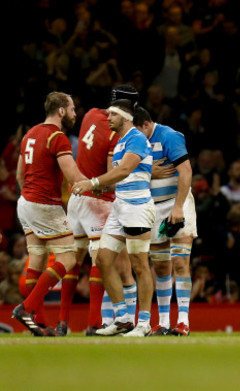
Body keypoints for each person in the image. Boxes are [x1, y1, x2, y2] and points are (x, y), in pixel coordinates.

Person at [57, 85, 138, 337]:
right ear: (131, 108)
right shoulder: (117, 133)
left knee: (72, 261)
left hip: (75, 198)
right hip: (98, 200)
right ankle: (94, 322)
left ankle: (62, 322)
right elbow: (109, 176)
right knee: (100, 260)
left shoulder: (91, 114)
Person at [71, 99, 155, 337]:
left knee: (139, 265)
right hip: (120, 206)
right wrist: (104, 188)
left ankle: (144, 322)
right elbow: (119, 178)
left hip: (137, 207)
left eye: (113, 115)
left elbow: (124, 170)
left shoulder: (137, 138)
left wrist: (94, 182)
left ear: (126, 118)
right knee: (103, 260)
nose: (108, 119)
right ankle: (123, 318)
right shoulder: (120, 143)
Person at [12, 91, 87, 336]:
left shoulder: (29, 135)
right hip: (45, 204)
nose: (76, 113)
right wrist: (100, 185)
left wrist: (30, 199)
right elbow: (72, 175)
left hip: (25, 203)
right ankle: (27, 308)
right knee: (68, 259)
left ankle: (40, 324)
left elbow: (19, 175)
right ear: (61, 111)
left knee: (36, 262)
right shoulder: (58, 137)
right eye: (73, 109)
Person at [133, 106, 196, 336]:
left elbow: (186, 170)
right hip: (153, 209)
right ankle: (163, 322)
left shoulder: (169, 136)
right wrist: (149, 172)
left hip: (177, 204)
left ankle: (183, 321)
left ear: (146, 125)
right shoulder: (134, 141)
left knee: (180, 262)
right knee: (160, 265)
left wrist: (179, 207)